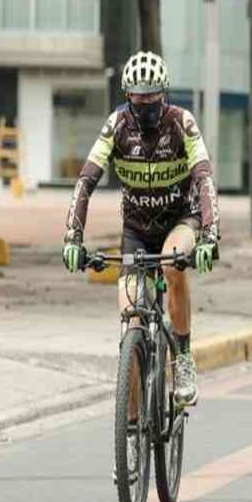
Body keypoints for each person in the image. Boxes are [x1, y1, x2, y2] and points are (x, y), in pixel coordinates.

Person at [62, 51, 220, 408]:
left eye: (152, 101)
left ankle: (182, 358)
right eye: (137, 101)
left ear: (164, 96)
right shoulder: (116, 124)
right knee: (130, 326)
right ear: (127, 98)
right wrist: (73, 236)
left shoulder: (182, 122)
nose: (145, 109)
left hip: (181, 219)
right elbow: (86, 181)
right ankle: (131, 432)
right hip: (136, 229)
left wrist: (210, 234)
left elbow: (205, 178)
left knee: (172, 261)